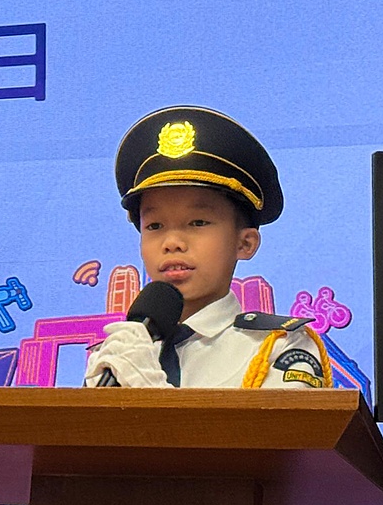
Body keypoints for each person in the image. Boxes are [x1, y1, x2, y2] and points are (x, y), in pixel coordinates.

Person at [86, 105, 330, 392]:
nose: (172, 242)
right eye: (154, 226)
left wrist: (151, 393)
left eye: (197, 222)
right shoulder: (120, 354)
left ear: (245, 243)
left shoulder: (278, 347)